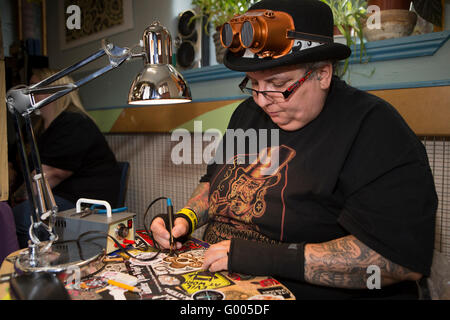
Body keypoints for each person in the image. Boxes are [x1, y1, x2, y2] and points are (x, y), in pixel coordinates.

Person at [150, 0, 437, 299]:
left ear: (322, 74)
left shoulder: (375, 129)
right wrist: (184, 220)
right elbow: (216, 183)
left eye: (277, 83)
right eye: (253, 84)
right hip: (220, 283)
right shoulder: (247, 114)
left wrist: (266, 258)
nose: (261, 100)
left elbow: (400, 261)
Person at [12, 68, 122, 248]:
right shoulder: (41, 127)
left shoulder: (73, 122)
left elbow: (47, 177)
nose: (28, 93)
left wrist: (16, 198)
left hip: (85, 203)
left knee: (20, 216)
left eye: (34, 87)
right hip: (61, 197)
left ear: (52, 91)